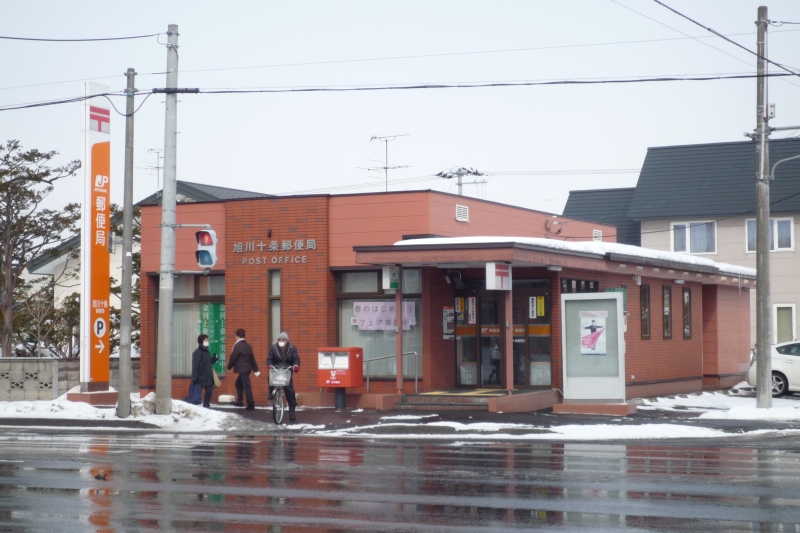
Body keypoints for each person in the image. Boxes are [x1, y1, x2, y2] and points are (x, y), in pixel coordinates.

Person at [267, 331, 300, 421]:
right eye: (280, 340)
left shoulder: (292, 348)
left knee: (289, 390)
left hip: (286, 369)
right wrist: (270, 365)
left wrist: (296, 365)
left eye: (283, 340)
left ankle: (292, 411)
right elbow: (269, 358)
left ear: (286, 341)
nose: (281, 341)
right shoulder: (273, 348)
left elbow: (296, 358)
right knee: (270, 377)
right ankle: (270, 392)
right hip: (276, 367)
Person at [226, 328, 260, 410]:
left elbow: (233, 358)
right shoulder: (248, 346)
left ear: (237, 336)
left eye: (235, 336)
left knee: (246, 385)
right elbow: (252, 359)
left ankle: (250, 403)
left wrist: (229, 367)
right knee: (238, 383)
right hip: (247, 369)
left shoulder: (237, 346)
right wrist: (256, 370)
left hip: (242, 369)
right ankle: (240, 401)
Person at [191, 334, 219, 408]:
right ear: (201, 341)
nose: (207, 342)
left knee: (209, 391)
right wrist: (195, 377)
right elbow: (195, 365)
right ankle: (195, 406)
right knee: (197, 393)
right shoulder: (197, 352)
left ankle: (206, 405)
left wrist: (214, 359)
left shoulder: (207, 351)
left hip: (208, 376)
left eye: (207, 340)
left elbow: (208, 362)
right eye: (205, 340)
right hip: (200, 377)